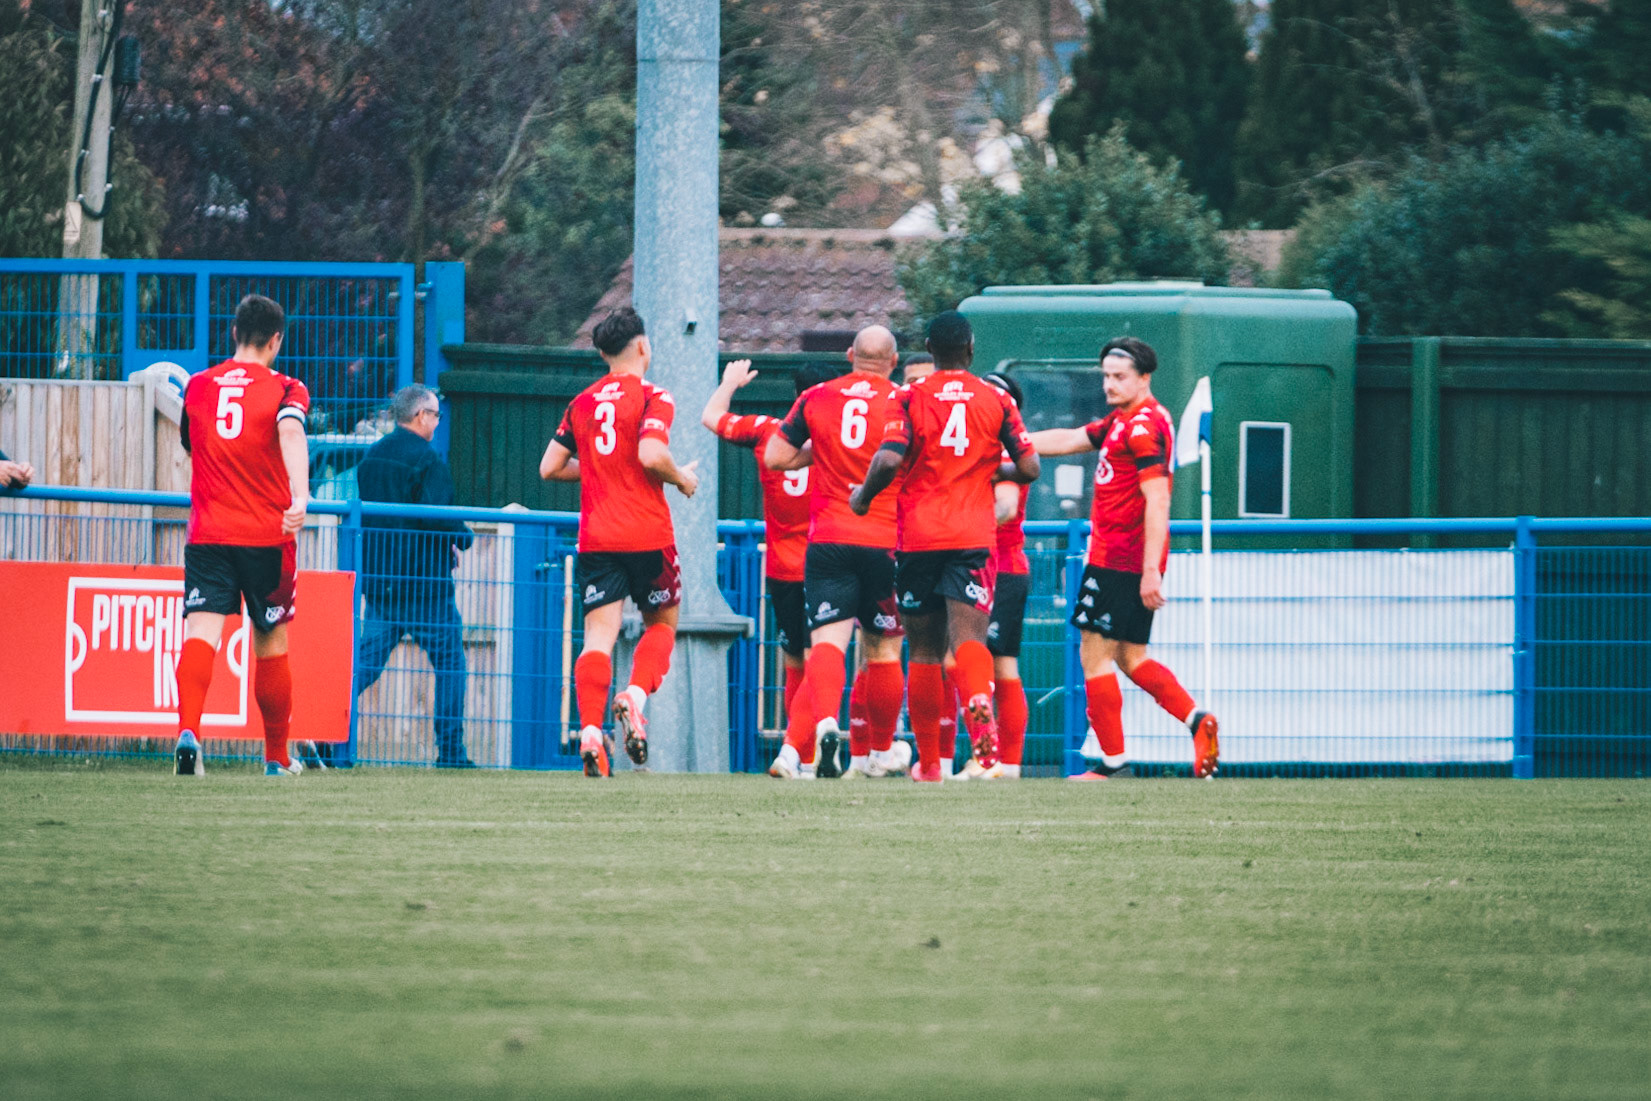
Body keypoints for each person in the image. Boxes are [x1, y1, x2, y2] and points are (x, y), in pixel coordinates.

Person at [851, 311, 1040, 783]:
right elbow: (1031, 465)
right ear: (971, 350)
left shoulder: (910, 396)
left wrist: (862, 496)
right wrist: (990, 470)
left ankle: (930, 765)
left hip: (918, 538)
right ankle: (978, 701)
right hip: (973, 539)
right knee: (971, 641)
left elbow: (890, 457)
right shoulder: (995, 399)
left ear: (930, 352)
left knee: (925, 653)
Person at [1028, 336, 1219, 780]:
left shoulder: (1142, 427)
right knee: (1132, 658)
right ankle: (1197, 721)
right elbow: (1074, 437)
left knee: (1092, 657)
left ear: (1144, 378)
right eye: (1106, 377)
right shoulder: (1125, 419)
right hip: (1124, 559)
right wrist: (1013, 442)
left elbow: (1158, 501)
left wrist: (1151, 570)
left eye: (1119, 377)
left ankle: (1112, 763)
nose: (1109, 385)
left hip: (1120, 559)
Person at [538, 307, 698, 777]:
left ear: (603, 354)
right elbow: (651, 453)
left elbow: (548, 468)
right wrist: (682, 479)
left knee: (598, 638)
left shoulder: (582, 402)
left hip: (598, 537)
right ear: (643, 347)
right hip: (648, 534)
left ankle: (590, 730)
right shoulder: (653, 395)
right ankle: (634, 697)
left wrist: (600, 468)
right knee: (662, 626)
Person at [173, 294, 310, 778]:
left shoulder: (198, 386)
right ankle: (276, 758)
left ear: (233, 333)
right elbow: (291, 433)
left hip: (208, 534)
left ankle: (189, 732)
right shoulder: (287, 387)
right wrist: (301, 495)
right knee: (271, 640)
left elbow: (194, 445)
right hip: (266, 538)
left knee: (201, 635)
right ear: (276, 340)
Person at [763, 325, 909, 781]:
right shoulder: (904, 401)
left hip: (826, 538)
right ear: (895, 359)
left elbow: (775, 456)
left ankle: (820, 727)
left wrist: (820, 454)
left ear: (850, 354)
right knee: (884, 649)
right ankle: (881, 751)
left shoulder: (816, 397)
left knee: (826, 644)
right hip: (885, 538)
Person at [701, 357, 847, 725]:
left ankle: (796, 752)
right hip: (828, 566)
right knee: (827, 655)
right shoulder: (839, 439)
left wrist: (730, 382)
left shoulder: (767, 431)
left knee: (794, 659)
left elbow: (711, 417)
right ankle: (815, 744)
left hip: (783, 569)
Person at [354, 384, 476, 769]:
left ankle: (320, 731)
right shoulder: (428, 461)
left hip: (382, 584)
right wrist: (463, 537)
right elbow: (435, 514)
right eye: (436, 415)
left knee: (364, 666)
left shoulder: (370, 459)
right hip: (426, 586)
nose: (438, 423)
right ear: (420, 416)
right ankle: (451, 752)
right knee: (450, 663)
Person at [954, 371, 1032, 780]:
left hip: (998, 566)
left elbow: (1004, 505)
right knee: (984, 664)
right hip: (994, 565)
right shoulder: (996, 443)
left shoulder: (1002, 450)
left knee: (993, 666)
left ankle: (1003, 761)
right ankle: (996, 759)